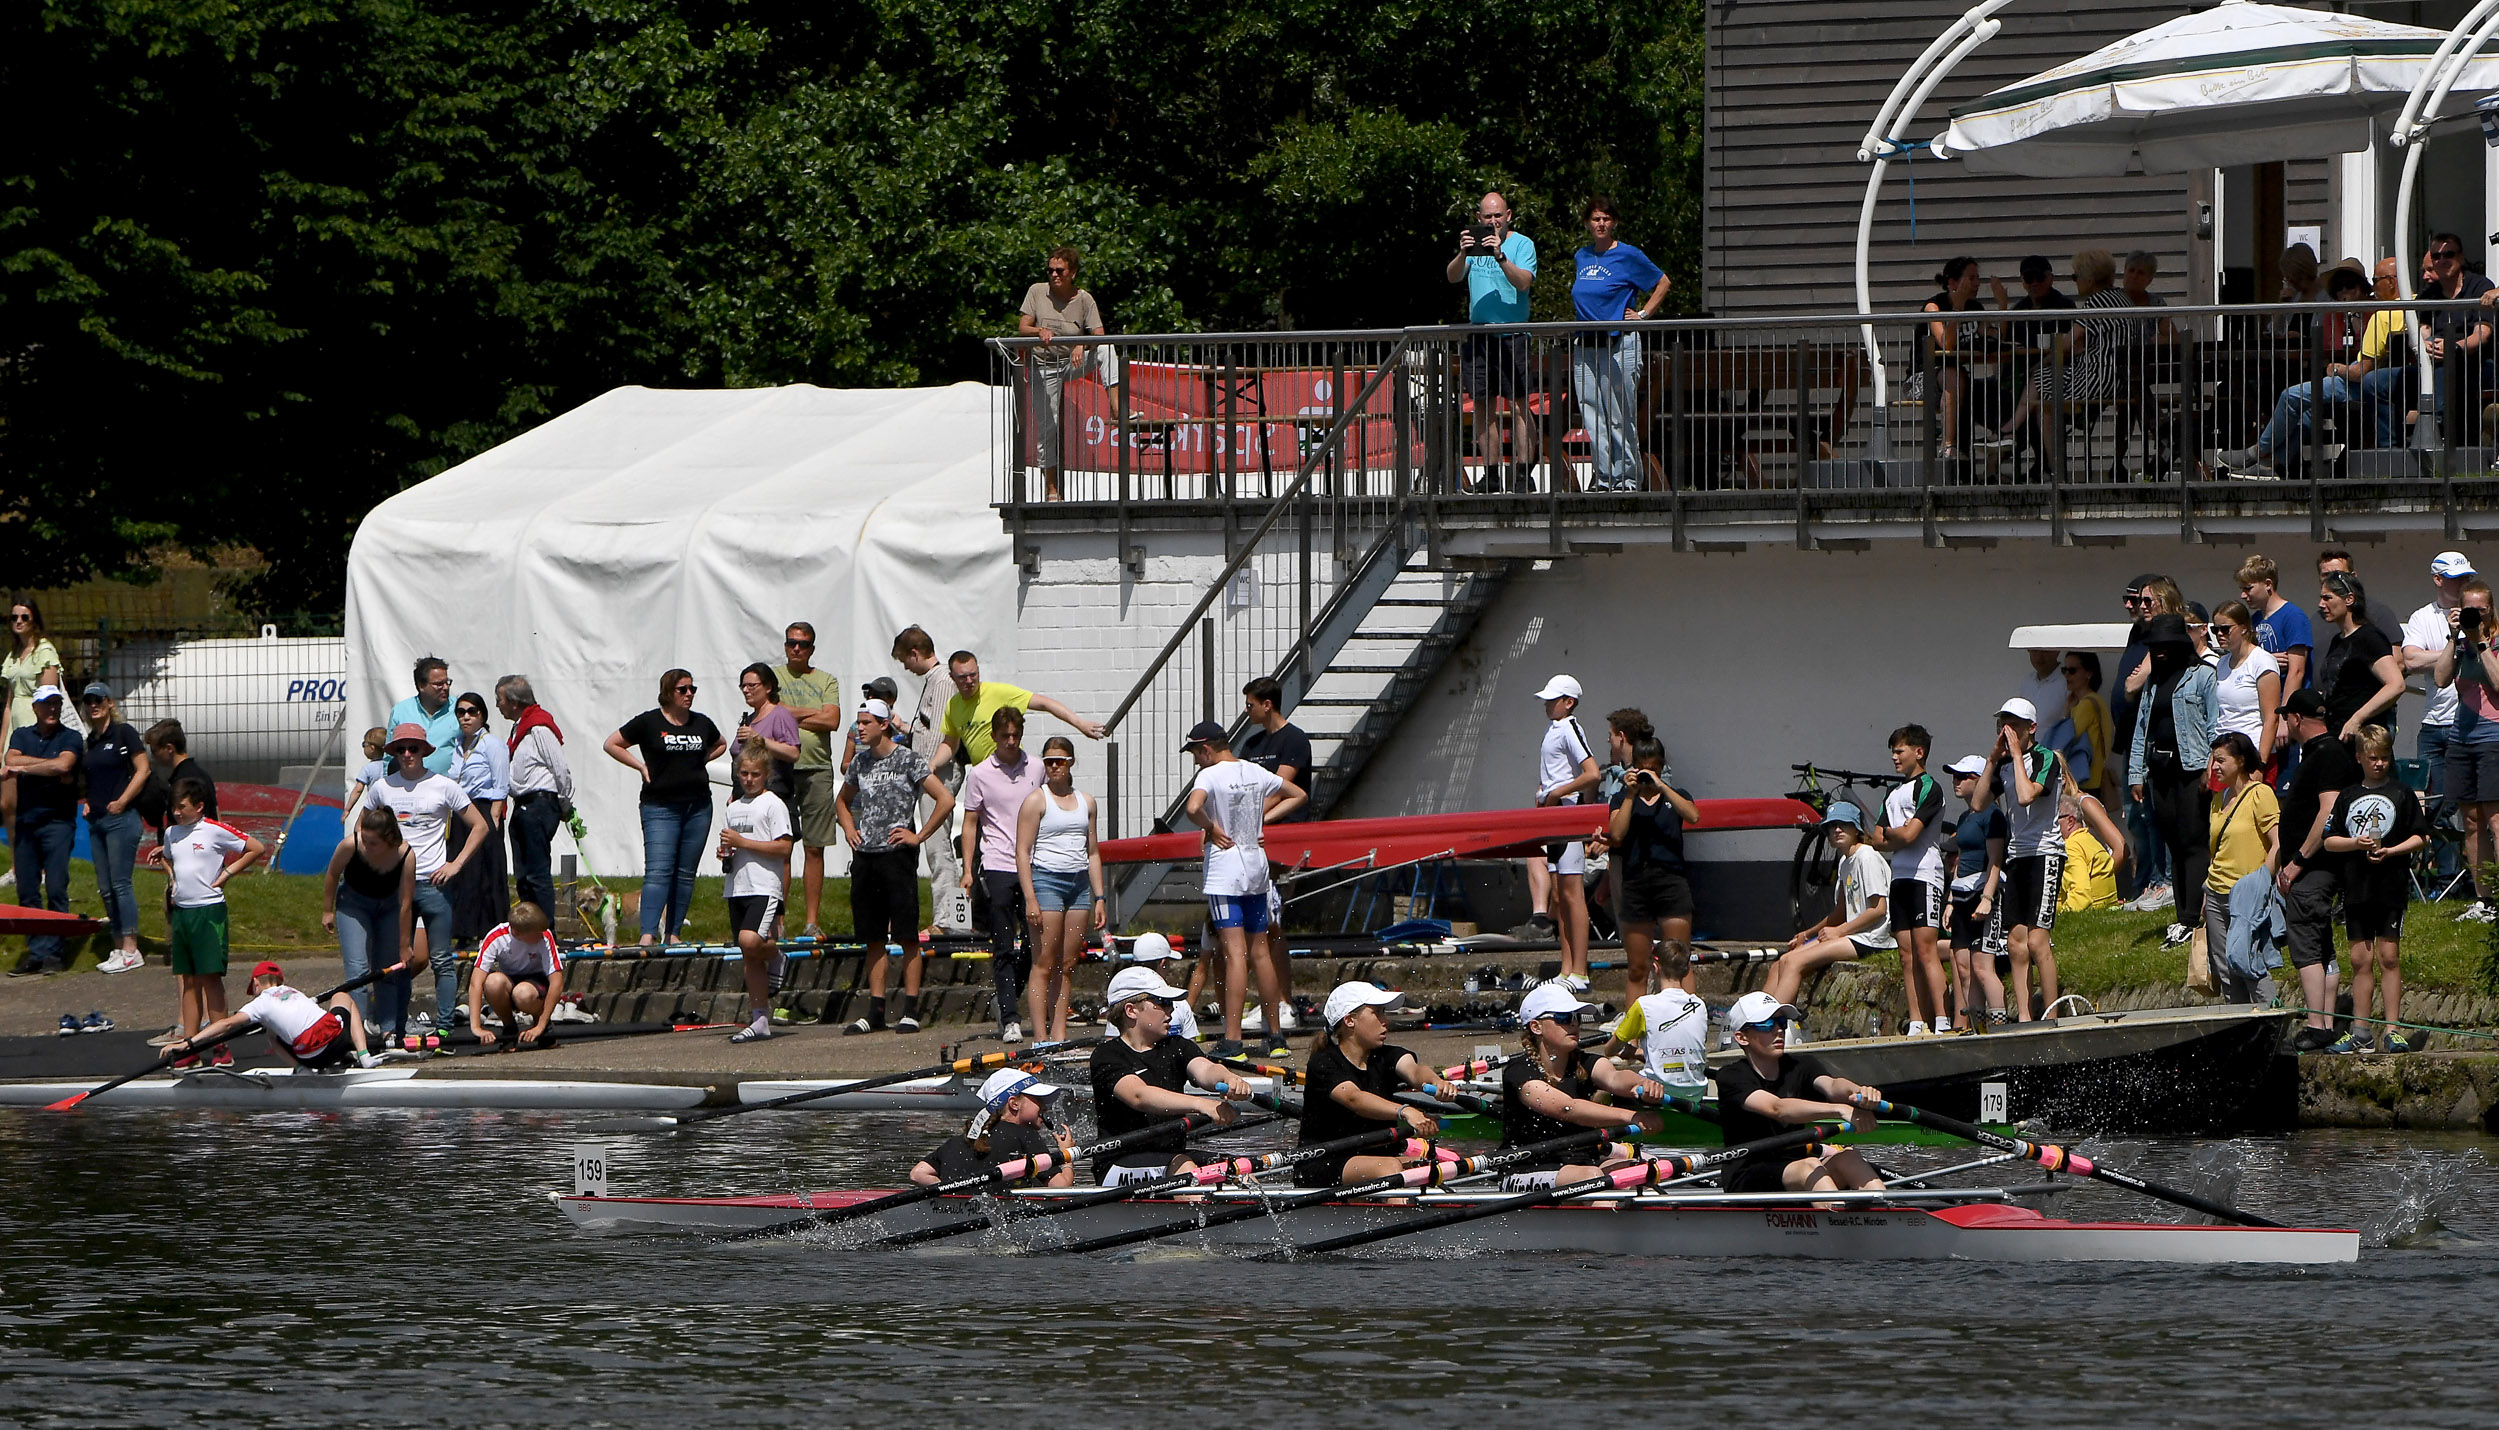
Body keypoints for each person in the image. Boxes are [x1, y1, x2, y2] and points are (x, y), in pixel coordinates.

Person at [1183, 719, 1307, 1057]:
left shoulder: (1209, 775)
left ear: (1206, 748)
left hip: (1226, 872)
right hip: (1256, 868)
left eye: (1196, 753)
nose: (1196, 760)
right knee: (1261, 953)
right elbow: (1298, 794)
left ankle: (1234, 1040)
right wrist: (1262, 821)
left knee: (1235, 955)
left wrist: (1210, 827)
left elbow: (1192, 808)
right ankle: (1276, 1037)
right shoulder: (1255, 771)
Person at [835, 697, 955, 1034]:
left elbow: (945, 799)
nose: (858, 729)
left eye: (864, 723)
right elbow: (842, 802)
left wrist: (919, 834)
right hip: (866, 855)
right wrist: (849, 829)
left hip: (896, 855)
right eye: (857, 723)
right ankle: (875, 1010)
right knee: (872, 935)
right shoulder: (860, 763)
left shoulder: (908, 760)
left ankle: (911, 1008)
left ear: (883, 724)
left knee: (906, 933)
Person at [362, 723, 487, 1028]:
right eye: (401, 749)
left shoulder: (443, 785)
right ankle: (395, 1025)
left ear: (424, 752)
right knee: (399, 959)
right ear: (393, 752)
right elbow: (361, 829)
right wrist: (373, 864)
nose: (407, 755)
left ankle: (444, 1028)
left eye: (413, 749)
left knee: (441, 959)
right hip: (395, 884)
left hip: (434, 882)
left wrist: (455, 864)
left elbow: (480, 826)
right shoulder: (382, 787)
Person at [1088, 965, 1252, 1184]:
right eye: (1162, 1003)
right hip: (1117, 1164)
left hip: (1170, 1158)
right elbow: (1139, 1095)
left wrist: (1228, 1078)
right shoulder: (1107, 1055)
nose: (1171, 1010)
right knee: (1183, 1167)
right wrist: (1202, 1105)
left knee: (1239, 1169)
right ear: (1131, 1011)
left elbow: (1205, 1069)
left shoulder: (1177, 1046)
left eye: (1171, 1004)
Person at [1713, 992, 1886, 1196]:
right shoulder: (1730, 1076)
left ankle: (1887, 1215)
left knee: (1849, 1157)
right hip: (1747, 1176)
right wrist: (1839, 1110)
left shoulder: (1801, 1065)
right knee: (1809, 1167)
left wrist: (1859, 1093)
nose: (1778, 1030)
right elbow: (1777, 1108)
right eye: (1767, 1025)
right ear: (1742, 1037)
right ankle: (1838, 1220)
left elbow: (1832, 1086)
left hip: (1796, 1167)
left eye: (1780, 1022)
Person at [2322, 726, 2428, 1053]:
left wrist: (2392, 851)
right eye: (2373, 758)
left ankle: (2393, 1028)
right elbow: (2329, 840)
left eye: (2384, 758)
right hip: (2356, 888)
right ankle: (2360, 1030)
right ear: (2360, 759)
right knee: (2359, 959)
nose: (2379, 764)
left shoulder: (2402, 793)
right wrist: (2356, 842)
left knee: (2389, 955)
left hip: (2390, 887)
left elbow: (2421, 837)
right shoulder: (2348, 796)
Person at [603, 669, 727, 947]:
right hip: (660, 806)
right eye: (683, 689)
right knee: (659, 871)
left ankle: (672, 934)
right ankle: (647, 934)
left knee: (685, 873)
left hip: (697, 806)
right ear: (668, 692)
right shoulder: (649, 721)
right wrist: (640, 765)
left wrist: (702, 759)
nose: (689, 694)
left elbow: (721, 743)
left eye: (693, 689)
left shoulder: (701, 723)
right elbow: (612, 744)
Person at [144, 779, 264, 1065]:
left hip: (209, 912)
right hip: (183, 912)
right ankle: (190, 1046)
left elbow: (255, 847)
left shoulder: (213, 829)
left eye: (182, 807)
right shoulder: (172, 833)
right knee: (187, 981)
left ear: (198, 807)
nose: (176, 812)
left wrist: (228, 873)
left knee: (210, 979)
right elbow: (172, 856)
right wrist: (168, 868)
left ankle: (221, 1048)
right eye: (173, 807)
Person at [1498, 984, 1663, 1186]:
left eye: (1577, 1017)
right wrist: (1632, 1117)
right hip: (1524, 1169)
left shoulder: (1584, 1063)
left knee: (1641, 1171)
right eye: (1564, 1018)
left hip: (1582, 1165)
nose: (1574, 1024)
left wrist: (1641, 1084)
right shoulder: (1520, 1073)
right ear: (1536, 1027)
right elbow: (1568, 1109)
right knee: (1591, 1177)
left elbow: (1615, 1078)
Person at [2224, 261, 2378, 477]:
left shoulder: (2377, 313)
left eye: (2350, 286)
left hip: (2364, 380)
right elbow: (2329, 349)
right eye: (2340, 287)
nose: (2345, 292)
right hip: (2342, 378)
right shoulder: (2333, 315)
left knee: (2290, 396)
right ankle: (2272, 466)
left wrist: (2341, 362)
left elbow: (2365, 357)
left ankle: (2259, 450)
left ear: (2363, 288)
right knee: (2305, 413)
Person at [2273, 690, 2359, 1051]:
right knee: (2323, 946)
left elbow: (2328, 813)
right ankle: (2323, 1022)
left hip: (2314, 869)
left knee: (2307, 944)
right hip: (2319, 868)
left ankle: (2316, 1024)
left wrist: (2298, 861)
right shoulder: (2326, 752)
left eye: (2286, 718)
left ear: (2295, 718)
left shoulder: (2325, 755)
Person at [1294, 981, 1442, 1187]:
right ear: (1349, 1020)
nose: (1385, 1021)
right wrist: (1406, 1111)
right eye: (1377, 1013)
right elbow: (1355, 1098)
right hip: (1323, 1163)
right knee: (1389, 1169)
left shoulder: (1387, 1056)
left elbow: (1415, 1071)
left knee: (1433, 1170)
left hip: (1374, 1160)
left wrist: (1436, 1082)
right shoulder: (1324, 1062)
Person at [1569, 197, 1670, 489]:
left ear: (1614, 223)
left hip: (1619, 343)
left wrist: (1642, 314)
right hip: (1586, 344)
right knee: (1592, 413)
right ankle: (1602, 477)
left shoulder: (1628, 255)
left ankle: (1626, 477)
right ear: (1588, 223)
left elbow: (1662, 282)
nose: (1600, 224)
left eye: (1606, 219)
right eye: (1596, 219)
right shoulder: (1582, 256)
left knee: (1619, 413)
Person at [1975, 697, 2066, 1017]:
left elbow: (2027, 796)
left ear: (2031, 728)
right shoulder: (2003, 764)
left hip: (2045, 853)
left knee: (2038, 940)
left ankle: (2051, 1015)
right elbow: (1978, 803)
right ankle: (2026, 1016)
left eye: (2013, 724)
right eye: (2003, 724)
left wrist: (2015, 755)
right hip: (2018, 856)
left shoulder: (2045, 758)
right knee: (2015, 941)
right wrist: (1991, 760)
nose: (2007, 729)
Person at [2129, 613, 2216, 947]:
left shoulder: (2203, 677)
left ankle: (2192, 917)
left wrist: (2212, 765)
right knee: (2173, 842)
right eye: (2156, 647)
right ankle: (2182, 914)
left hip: (2194, 769)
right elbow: (2142, 730)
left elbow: (2214, 724)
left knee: (2194, 840)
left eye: (2167, 646)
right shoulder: (2153, 684)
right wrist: (2136, 772)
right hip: (2160, 771)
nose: (2161, 652)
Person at [1445, 190, 1539, 490]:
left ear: (1508, 216)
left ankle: (1523, 474)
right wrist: (1462, 253)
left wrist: (1500, 255)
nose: (1494, 221)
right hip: (1480, 335)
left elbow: (1523, 282)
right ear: (1478, 218)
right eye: (1488, 216)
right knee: (1484, 407)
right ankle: (1492, 474)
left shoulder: (1522, 244)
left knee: (1520, 406)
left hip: (1514, 335)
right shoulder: (1473, 249)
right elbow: (1452, 277)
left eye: (1499, 215)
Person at [961, 707, 1044, 1042]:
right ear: (994, 736)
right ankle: (1009, 1017)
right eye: (1005, 735)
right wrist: (967, 869)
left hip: (1035, 863)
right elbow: (970, 823)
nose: (1011, 741)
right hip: (996, 863)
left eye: (1016, 735)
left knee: (1037, 943)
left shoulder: (1036, 767)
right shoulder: (980, 774)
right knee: (1004, 945)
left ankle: (1007, 996)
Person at [1762, 801, 1891, 1009]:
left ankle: (1774, 1022)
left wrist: (1839, 931)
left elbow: (1878, 909)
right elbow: (1840, 912)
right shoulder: (1845, 862)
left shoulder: (1866, 856)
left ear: (1856, 828)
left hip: (1872, 938)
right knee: (1781, 963)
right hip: (1852, 933)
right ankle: (1756, 1019)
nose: (1836, 830)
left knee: (1794, 963)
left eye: (1843, 824)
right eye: (1831, 826)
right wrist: (1808, 934)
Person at [1017, 735, 1102, 1046]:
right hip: (1046, 880)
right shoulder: (1036, 800)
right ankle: (1041, 1038)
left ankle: (1059, 1033)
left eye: (1060, 761)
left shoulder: (1086, 802)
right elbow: (1022, 851)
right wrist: (1030, 898)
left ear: (1070, 763)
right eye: (1049, 761)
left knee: (1067, 963)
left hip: (1078, 883)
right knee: (1044, 960)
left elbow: (1092, 851)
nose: (1054, 767)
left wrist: (1100, 895)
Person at [1866, 724, 1950, 1035]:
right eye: (1893, 751)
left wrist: (1894, 835)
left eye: (1899, 751)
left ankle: (1942, 1018)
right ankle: (1917, 1020)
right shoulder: (1892, 792)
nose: (1894, 757)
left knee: (1926, 948)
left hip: (1925, 875)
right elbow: (1877, 838)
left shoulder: (1929, 787)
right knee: (1905, 953)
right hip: (1899, 876)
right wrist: (1894, 836)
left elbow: (1912, 835)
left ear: (1919, 752)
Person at [891, 626, 971, 935]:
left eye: (905, 660)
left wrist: (920, 770)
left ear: (915, 653)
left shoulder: (941, 683)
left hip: (938, 774)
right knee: (939, 848)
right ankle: (956, 920)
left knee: (938, 848)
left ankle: (948, 920)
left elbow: (939, 733)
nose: (906, 667)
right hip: (931, 773)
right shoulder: (935, 682)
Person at [1608, 736, 1700, 999]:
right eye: (1642, 768)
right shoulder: (1621, 799)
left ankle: (1689, 1022)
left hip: (1671, 882)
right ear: (1633, 767)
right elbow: (1617, 833)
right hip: (1636, 883)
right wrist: (1630, 795)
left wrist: (1661, 786)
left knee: (1680, 961)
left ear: (1661, 768)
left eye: (1653, 769)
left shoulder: (1677, 796)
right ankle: (1633, 1035)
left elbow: (1693, 816)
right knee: (1638, 967)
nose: (1647, 774)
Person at [2402, 555, 2471, 899]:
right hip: (2433, 722)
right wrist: (2450, 647)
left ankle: (2464, 876)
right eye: (2455, 578)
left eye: (2466, 578)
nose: (2461, 584)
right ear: (2438, 579)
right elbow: (2409, 660)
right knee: (2435, 806)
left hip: (2469, 721)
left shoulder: (2479, 613)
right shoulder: (2422, 617)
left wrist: (2439, 653)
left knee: (2466, 805)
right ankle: (2446, 879)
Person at [1018, 246, 1110, 502]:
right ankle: (1051, 488)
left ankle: (1117, 409)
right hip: (1043, 364)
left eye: (1060, 270)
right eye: (1050, 270)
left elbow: (1100, 335)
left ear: (1073, 272)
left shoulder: (1084, 299)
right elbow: (1022, 327)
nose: (1054, 274)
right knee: (1048, 427)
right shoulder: (1037, 291)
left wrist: (1081, 343)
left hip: (1071, 361)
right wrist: (1039, 331)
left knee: (1107, 351)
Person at [322, 807, 417, 1043]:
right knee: (358, 970)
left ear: (389, 839)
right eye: (364, 839)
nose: (367, 846)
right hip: (353, 904)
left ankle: (388, 1028)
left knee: (387, 968)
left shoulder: (405, 855)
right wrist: (327, 910)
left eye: (373, 843)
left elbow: (406, 904)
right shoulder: (351, 845)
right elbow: (333, 874)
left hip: (389, 907)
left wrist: (404, 945)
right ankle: (357, 1030)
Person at [1528, 674, 1600, 985]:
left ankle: (1580, 970)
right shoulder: (1553, 729)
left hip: (1568, 815)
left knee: (1572, 894)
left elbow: (1592, 773)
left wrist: (1558, 793)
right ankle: (1566, 968)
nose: (1547, 704)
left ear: (1568, 703)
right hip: (1553, 817)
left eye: (1553, 700)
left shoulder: (1570, 727)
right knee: (1559, 894)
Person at [5, 685, 82, 976]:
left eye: (55, 704)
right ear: (35, 708)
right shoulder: (22, 735)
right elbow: (11, 760)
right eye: (46, 704)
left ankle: (54, 953)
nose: (51, 709)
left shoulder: (71, 737)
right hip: (26, 822)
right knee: (27, 889)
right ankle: (36, 952)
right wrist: (44, 767)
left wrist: (25, 768)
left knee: (56, 887)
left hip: (57, 822)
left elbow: (64, 764)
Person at [2435, 575, 2499, 923]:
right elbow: (2442, 678)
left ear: (2491, 611)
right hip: (2462, 736)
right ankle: (2484, 899)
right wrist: (2454, 637)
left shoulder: (2496, 641)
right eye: (2468, 610)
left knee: (2496, 818)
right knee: (2472, 821)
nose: (2476, 615)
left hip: (2494, 737)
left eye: (2481, 610)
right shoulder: (2459, 642)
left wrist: (2482, 643)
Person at [718, 746, 793, 1043]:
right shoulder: (733, 807)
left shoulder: (773, 804)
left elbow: (784, 847)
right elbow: (733, 845)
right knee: (748, 952)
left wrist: (743, 842)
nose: (749, 779)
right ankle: (759, 1018)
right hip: (738, 885)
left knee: (750, 940)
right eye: (744, 774)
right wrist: (726, 852)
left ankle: (776, 957)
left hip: (763, 885)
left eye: (755, 774)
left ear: (766, 775)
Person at [173, 961, 372, 1072]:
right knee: (343, 996)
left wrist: (189, 1042)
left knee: (272, 1035)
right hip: (339, 1042)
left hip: (311, 1058)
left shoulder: (259, 1003)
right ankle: (364, 1055)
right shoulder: (295, 992)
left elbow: (225, 1024)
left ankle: (300, 1071)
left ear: (256, 984)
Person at [774, 622, 843, 941]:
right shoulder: (772, 676)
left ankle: (812, 921)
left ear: (812, 648)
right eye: (791, 643)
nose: (796, 648)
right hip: (779, 768)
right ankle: (777, 919)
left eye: (802, 644)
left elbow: (833, 720)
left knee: (815, 846)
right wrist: (807, 714)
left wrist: (790, 713)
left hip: (817, 768)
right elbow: (770, 712)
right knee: (781, 848)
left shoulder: (827, 680)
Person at [2202, 732, 2282, 1005]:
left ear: (2241, 760)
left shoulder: (2260, 794)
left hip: (2245, 895)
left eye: (2221, 760)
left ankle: (2275, 1027)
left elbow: (2277, 843)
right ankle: (2238, 1027)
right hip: (2215, 894)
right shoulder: (2218, 799)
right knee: (2226, 970)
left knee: (2249, 963)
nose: (2214, 767)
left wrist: (2261, 882)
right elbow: (2215, 851)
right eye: (2214, 760)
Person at [930, 650, 1106, 774]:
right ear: (952, 677)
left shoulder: (998, 692)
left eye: (973, 675)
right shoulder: (952, 706)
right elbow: (950, 744)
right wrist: (932, 765)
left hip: (1013, 771)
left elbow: (1044, 703)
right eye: (962, 677)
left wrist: (1080, 723)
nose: (969, 681)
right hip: (984, 775)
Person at [76, 682, 149, 974]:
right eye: (88, 701)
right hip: (97, 819)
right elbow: (93, 778)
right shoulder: (90, 741)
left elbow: (143, 769)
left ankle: (132, 948)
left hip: (122, 818)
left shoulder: (124, 733)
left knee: (121, 883)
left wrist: (122, 800)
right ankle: (118, 945)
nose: (93, 705)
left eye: (98, 700)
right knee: (105, 888)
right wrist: (87, 802)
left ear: (109, 703)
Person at [911, 1069, 1079, 1189]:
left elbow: (918, 1174)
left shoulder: (960, 1140)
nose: (1044, 1107)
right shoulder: (1026, 1136)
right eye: (1037, 1099)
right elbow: (1060, 1186)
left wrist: (951, 1193)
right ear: (1014, 1103)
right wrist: (1066, 1155)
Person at [496, 675, 573, 922]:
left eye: (500, 700)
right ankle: (527, 927)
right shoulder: (520, 727)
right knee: (523, 875)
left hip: (539, 804)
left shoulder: (539, 727)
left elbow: (560, 767)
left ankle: (545, 930)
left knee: (536, 873)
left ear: (514, 702)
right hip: (523, 805)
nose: (498, 705)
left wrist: (564, 801)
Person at [1942, 755, 2008, 1030]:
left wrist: (1987, 899)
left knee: (1982, 967)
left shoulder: (1993, 815)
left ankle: (1999, 1027)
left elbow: (1995, 861)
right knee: (1964, 967)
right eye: (1954, 776)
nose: (1955, 781)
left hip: (1983, 894)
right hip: (1960, 895)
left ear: (1980, 781)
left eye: (1963, 776)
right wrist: (1949, 902)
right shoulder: (1963, 817)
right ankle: (1978, 1029)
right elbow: (1959, 860)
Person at [2, 595, 63, 885]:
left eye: (24, 617)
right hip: (13, 732)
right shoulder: (14, 655)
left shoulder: (44, 651)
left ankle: (38, 867)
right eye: (14, 617)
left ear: (34, 619)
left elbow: (49, 699)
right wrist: (1, 744)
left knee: (32, 804)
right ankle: (18, 866)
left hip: (34, 733)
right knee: (8, 804)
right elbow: (9, 703)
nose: (18, 622)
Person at [443, 691, 512, 947]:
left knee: (486, 871)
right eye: (461, 712)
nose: (466, 717)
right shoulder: (459, 745)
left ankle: (490, 929)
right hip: (461, 810)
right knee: (463, 871)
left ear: (482, 715)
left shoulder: (491, 744)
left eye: (472, 712)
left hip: (483, 808)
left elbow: (500, 782)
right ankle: (464, 930)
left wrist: (494, 816)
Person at [1602, 943, 1709, 1102]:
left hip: (1657, 1094)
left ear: (1655, 967)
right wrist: (1636, 1053)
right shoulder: (1700, 1005)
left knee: (1603, 1086)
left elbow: (1609, 1050)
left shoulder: (1644, 1005)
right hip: (1696, 1092)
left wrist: (1618, 1044)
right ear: (1687, 969)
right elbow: (1678, 1052)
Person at [2416, 231, 2494, 440]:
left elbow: (2483, 334)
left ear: (2460, 257)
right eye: (2436, 256)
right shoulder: (2428, 293)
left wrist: (2454, 347)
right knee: (2374, 383)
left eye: (2448, 254)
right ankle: (2391, 454)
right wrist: (2426, 345)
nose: (2442, 260)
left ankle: (2445, 449)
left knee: (2446, 367)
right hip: (2431, 363)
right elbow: (2423, 330)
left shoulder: (2479, 286)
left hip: (2474, 363)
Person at [1917, 257, 1993, 460]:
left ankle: (1994, 445)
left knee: (1982, 388)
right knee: (1954, 375)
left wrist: (2002, 303)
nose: (1976, 283)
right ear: (1952, 283)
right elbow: (1946, 344)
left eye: (1978, 278)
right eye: (1970, 278)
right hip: (1924, 377)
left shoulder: (1975, 308)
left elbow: (1994, 337)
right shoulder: (1934, 307)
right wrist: (1957, 310)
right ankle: (1948, 446)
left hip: (1958, 377)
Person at [2317, 571, 2403, 744]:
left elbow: (2396, 684)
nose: (2321, 604)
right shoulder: (2337, 640)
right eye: (2321, 598)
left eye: (2328, 598)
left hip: (2363, 739)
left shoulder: (2369, 638)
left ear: (2349, 599)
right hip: (2337, 734)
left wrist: (2357, 719)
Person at [469, 903, 565, 1050]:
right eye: (536, 933)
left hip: (535, 982)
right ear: (517, 933)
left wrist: (540, 1026)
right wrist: (476, 1027)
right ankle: (509, 1026)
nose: (542, 935)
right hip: (509, 981)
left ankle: (542, 1021)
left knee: (523, 993)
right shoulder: (496, 937)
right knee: (492, 982)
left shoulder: (545, 936)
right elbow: (476, 983)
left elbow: (557, 983)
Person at [2211, 600, 2283, 774]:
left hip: (2251, 755)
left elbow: (2271, 719)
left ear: (2243, 628)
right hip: (2223, 756)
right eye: (2215, 630)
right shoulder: (2221, 663)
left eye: (2225, 629)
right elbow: (2223, 715)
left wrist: (2261, 765)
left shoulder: (2262, 661)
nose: (2220, 634)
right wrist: (2211, 759)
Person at [1236, 677, 1315, 822]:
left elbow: (1277, 790)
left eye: (1250, 705)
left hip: (1287, 828)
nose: (1246, 710)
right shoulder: (1251, 744)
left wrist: (1249, 819)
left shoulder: (1294, 739)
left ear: (1267, 705)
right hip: (1257, 827)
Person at [2318, 549, 2409, 672]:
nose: (2330, 580)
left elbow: (2397, 666)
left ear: (2353, 577)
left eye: (2337, 575)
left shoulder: (2377, 616)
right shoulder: (2317, 619)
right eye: (2326, 575)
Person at [2238, 555, 2313, 693]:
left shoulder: (2293, 616)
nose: (2243, 595)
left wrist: (2284, 711)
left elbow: (2296, 672)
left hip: (2285, 702)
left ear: (2267, 584)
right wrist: (2269, 659)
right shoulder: (2255, 620)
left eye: (2248, 588)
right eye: (2242, 589)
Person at [732, 662, 802, 807]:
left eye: (751, 685)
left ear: (768, 687)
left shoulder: (780, 715)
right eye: (743, 686)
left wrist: (758, 739)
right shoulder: (749, 719)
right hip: (745, 796)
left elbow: (793, 753)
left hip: (771, 797)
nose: (746, 690)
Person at [387, 656, 460, 777]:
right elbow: (389, 757)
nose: (446, 687)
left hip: (448, 789)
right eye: (439, 684)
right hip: (408, 788)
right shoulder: (400, 711)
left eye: (447, 682)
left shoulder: (460, 710)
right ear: (421, 685)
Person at [1125, 931, 1201, 1039]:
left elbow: (1112, 1047)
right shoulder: (1179, 1003)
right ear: (1163, 963)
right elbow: (1192, 1051)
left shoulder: (1123, 1003)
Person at [2063, 653, 2115, 801]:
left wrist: (2066, 712)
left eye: (2072, 670)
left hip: (2085, 779)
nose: (2067, 675)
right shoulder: (2095, 701)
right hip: (2093, 777)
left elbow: (2067, 739)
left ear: (2089, 673)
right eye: (2064, 670)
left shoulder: (2086, 704)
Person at [344, 726, 389, 812]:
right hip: (390, 806)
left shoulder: (368, 768)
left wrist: (347, 809)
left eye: (364, 744)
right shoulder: (391, 764)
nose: (363, 747)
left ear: (372, 748)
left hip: (374, 807)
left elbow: (358, 790)